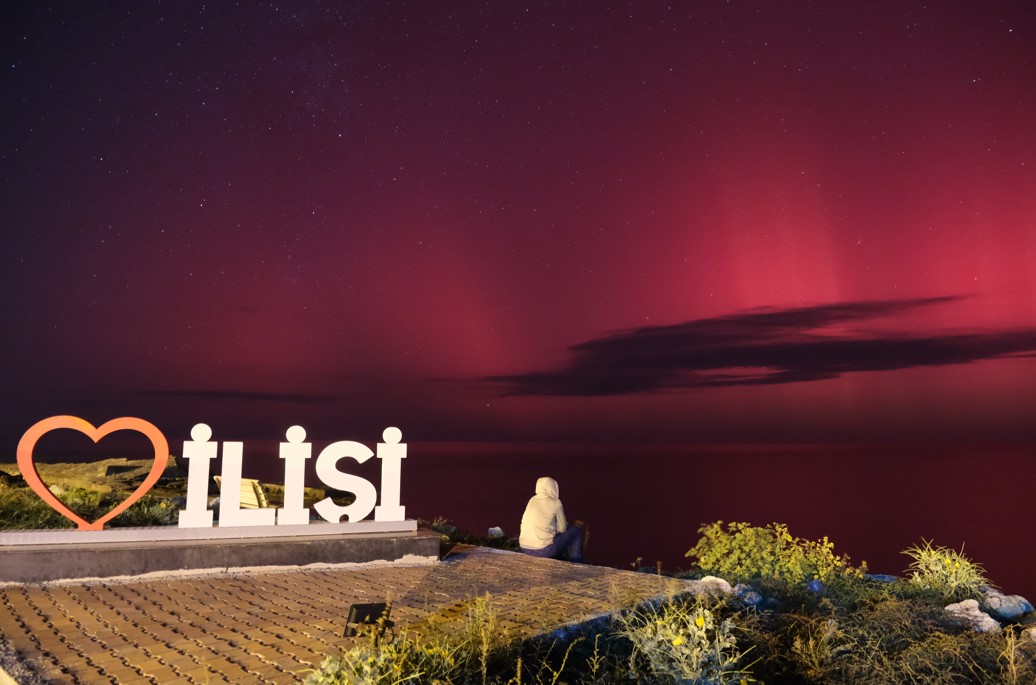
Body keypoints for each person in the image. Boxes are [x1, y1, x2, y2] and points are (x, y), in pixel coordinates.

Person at [518, 476, 585, 563]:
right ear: (553, 487)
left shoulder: (532, 500)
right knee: (576, 531)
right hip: (542, 550)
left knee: (555, 536)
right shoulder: (556, 502)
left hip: (524, 548)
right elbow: (562, 528)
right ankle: (577, 564)